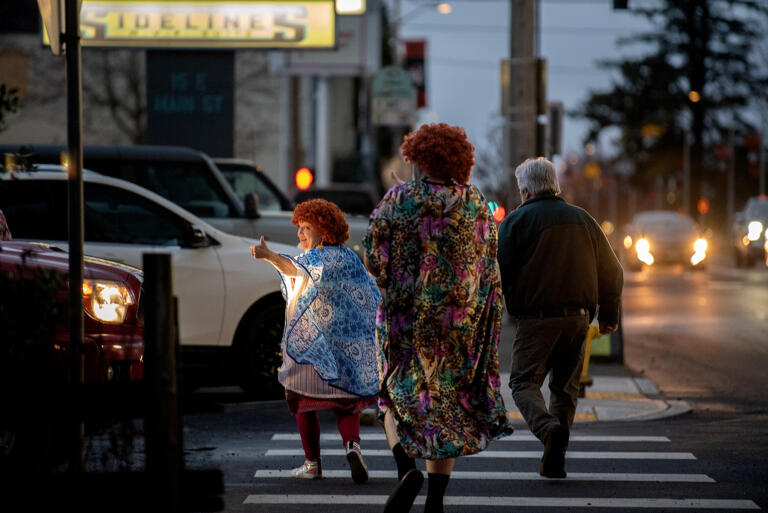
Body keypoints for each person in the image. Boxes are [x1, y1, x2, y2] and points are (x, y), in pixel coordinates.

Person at [364, 123, 514, 513]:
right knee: (442, 409)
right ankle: (435, 501)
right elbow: (489, 268)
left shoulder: (399, 199)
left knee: (393, 395)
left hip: (407, 322)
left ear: (419, 158)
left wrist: (400, 196)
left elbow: (374, 258)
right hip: (457, 327)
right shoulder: (478, 204)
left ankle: (404, 468)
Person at [496, 157, 623, 479]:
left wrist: (509, 308)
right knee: (565, 391)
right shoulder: (584, 220)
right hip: (579, 319)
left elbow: (502, 274)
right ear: (555, 186)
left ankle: (548, 429)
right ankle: (555, 461)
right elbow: (613, 271)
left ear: (524, 189)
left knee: (523, 383)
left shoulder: (514, 223)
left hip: (537, 319)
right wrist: (608, 315)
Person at [250, 198, 381, 484]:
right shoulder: (349, 259)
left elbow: (290, 268)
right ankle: (352, 446)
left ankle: (313, 463)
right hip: (346, 348)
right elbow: (370, 294)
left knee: (302, 401)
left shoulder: (314, 259)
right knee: (346, 403)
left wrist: (267, 255)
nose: (300, 234)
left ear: (324, 230)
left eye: (305, 228)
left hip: (312, 347)